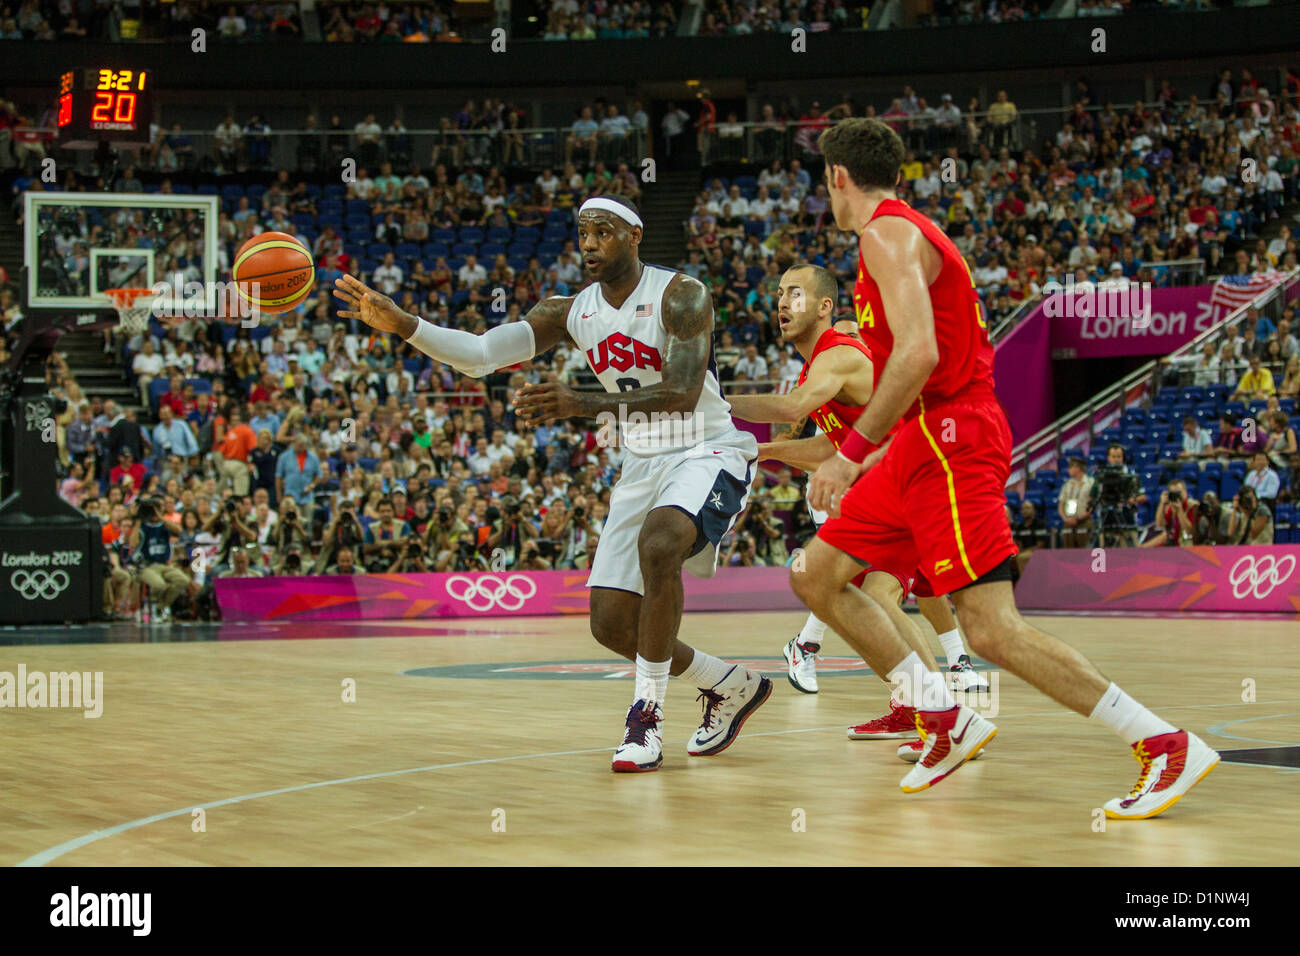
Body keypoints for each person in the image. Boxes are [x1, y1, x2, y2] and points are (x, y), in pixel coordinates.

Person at [791, 117, 1218, 814]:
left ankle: (1163, 743)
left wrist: (848, 455)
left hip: (953, 436)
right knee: (816, 572)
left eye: (823, 180)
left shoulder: (886, 234)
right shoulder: (901, 234)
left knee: (990, 628)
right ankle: (945, 715)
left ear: (837, 177)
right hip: (919, 442)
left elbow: (920, 354)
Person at [335, 194, 771, 774]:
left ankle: (646, 717)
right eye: (583, 232)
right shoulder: (568, 311)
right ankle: (728, 682)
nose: (589, 243)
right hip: (641, 464)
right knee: (611, 623)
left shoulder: (680, 294)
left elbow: (683, 392)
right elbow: (482, 355)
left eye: (604, 232)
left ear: (635, 236)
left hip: (707, 446)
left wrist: (579, 402)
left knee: (661, 545)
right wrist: (405, 325)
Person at [726, 263, 988, 719]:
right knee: (868, 595)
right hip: (895, 491)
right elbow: (832, 444)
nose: (783, 302)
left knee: (854, 592)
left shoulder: (837, 354)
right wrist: (764, 450)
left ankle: (938, 707)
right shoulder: (818, 365)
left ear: (825, 307)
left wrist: (710, 400)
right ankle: (931, 710)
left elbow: (792, 405)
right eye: (780, 293)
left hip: (916, 483)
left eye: (795, 293)